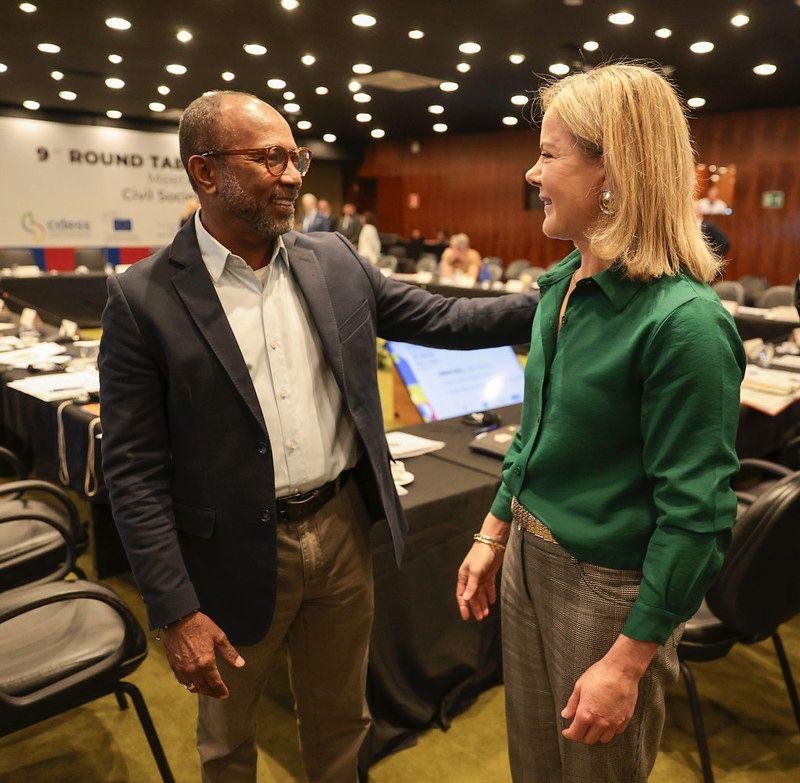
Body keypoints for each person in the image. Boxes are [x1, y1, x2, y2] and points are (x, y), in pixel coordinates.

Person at [99, 90, 537, 783]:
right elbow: (131, 471)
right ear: (205, 172)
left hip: (340, 529)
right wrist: (175, 609)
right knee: (227, 736)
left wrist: (568, 294)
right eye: (270, 158)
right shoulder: (143, 298)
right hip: (229, 552)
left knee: (342, 719)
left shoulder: (333, 260)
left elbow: (448, 320)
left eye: (295, 156)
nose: (295, 175)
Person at [456, 64, 745, 783]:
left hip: (606, 590)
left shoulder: (685, 323)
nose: (532, 172)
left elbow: (698, 518)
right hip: (527, 555)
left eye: (549, 155)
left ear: (613, 171)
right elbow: (535, 434)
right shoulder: (565, 284)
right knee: (536, 765)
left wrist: (631, 656)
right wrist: (494, 530)